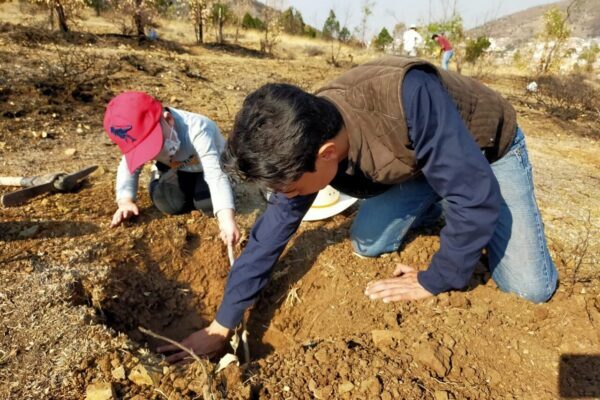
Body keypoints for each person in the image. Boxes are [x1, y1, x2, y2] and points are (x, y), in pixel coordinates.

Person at [158, 56, 558, 361]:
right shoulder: (304, 133)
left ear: (327, 153)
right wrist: (220, 325)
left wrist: (436, 278)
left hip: (487, 151)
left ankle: (448, 195)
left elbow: (474, 194)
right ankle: (439, 194)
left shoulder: (409, 96)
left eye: (293, 187)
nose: (290, 196)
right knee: (368, 242)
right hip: (417, 163)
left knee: (529, 288)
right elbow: (269, 235)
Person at [103, 91, 240, 246]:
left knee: (208, 205)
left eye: (155, 146)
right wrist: (125, 201)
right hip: (178, 169)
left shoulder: (197, 128)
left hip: (206, 168)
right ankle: (158, 177)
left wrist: (226, 219)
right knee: (169, 204)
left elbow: (215, 174)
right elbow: (128, 166)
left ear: (168, 120)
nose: (154, 153)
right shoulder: (137, 135)